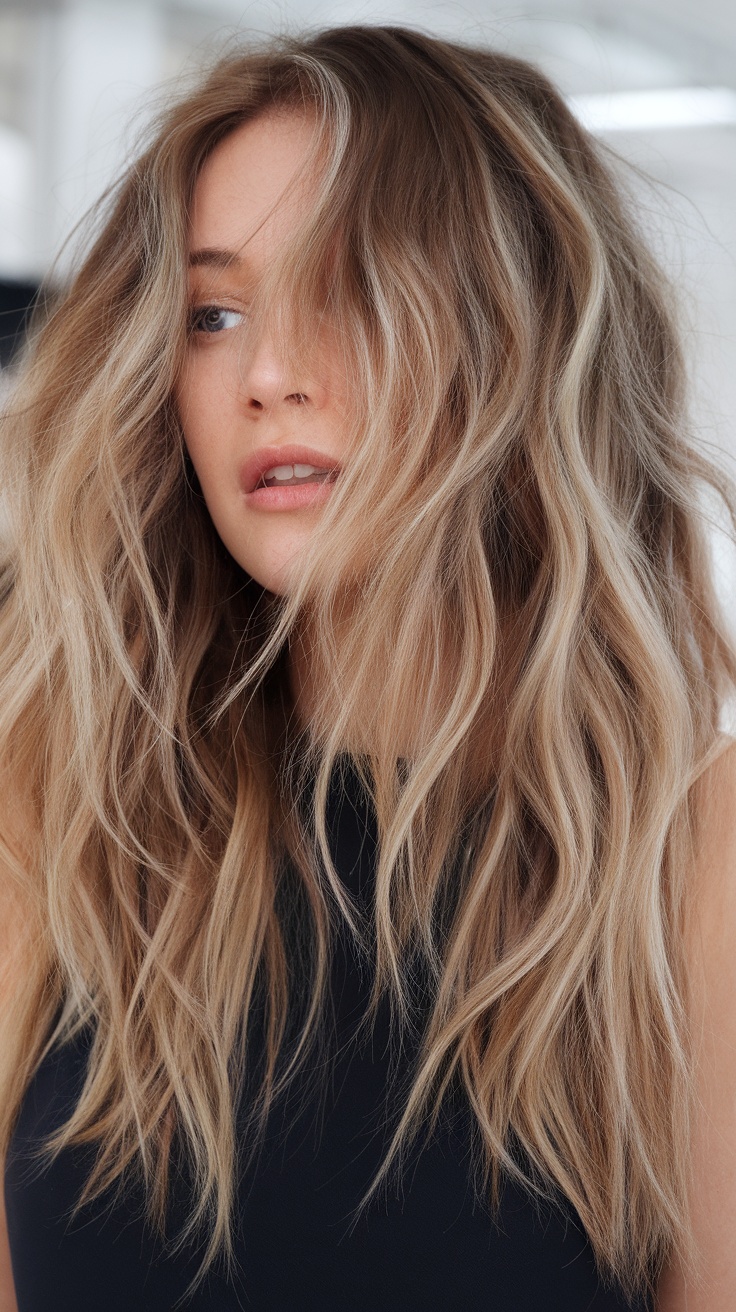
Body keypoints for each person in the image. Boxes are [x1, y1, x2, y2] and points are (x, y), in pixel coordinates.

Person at [1, 23, 735, 1312]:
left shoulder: (694, 857)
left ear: (516, 332)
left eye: (349, 291)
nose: (268, 378)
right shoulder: (51, 820)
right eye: (215, 314)